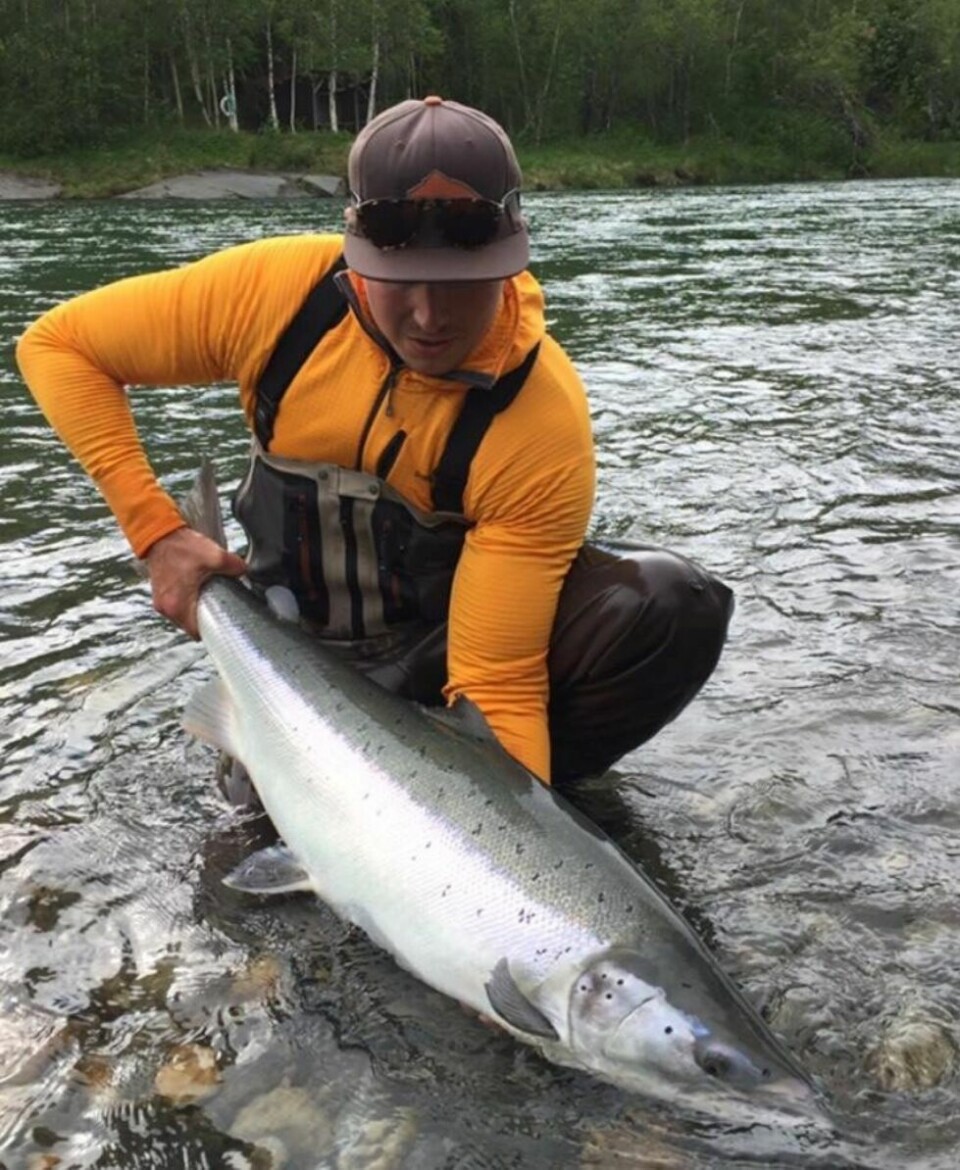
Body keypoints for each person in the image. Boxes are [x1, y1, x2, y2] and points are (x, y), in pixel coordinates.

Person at [16, 95, 732, 788]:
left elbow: (495, 681)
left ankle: (556, 808)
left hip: (434, 654)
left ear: (512, 259)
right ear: (355, 252)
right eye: (400, 281)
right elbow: (59, 347)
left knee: (670, 604)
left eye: (462, 283)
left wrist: (508, 827)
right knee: (257, 843)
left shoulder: (539, 419)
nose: (428, 317)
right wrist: (157, 533)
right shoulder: (275, 296)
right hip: (294, 648)